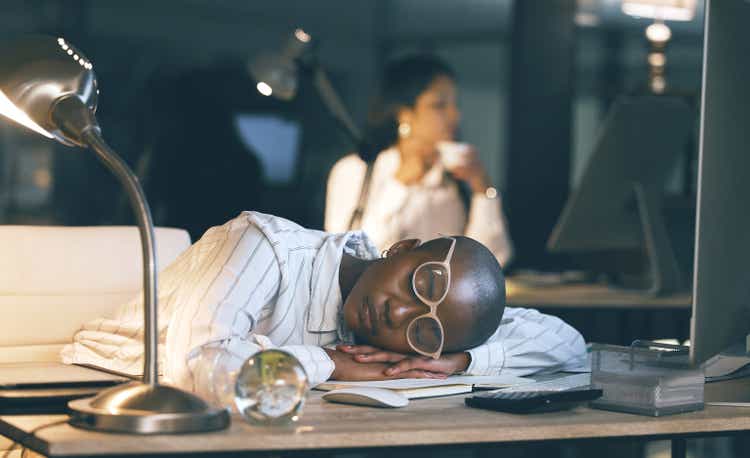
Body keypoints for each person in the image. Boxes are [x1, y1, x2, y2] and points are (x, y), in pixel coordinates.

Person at [62, 211, 584, 400]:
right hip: (104, 394)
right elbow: (198, 370)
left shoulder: (415, 340)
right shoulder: (264, 246)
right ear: (401, 249)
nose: (401, 315)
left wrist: (453, 361)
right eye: (420, 284)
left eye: (424, 331)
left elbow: (567, 343)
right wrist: (330, 363)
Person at [325, 54, 513, 266]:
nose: (455, 115)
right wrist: (401, 184)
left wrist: (483, 190)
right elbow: (345, 259)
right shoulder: (354, 171)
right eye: (439, 105)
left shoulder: (453, 179)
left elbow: (493, 261)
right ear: (404, 114)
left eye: (455, 104)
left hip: (444, 298)